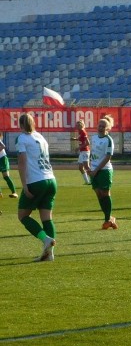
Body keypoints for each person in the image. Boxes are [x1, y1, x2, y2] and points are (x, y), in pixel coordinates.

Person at [15, 112, 57, 261]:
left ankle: (45, 239)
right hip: (51, 179)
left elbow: (22, 162)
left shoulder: (22, 138)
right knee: (47, 218)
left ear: (20, 124)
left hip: (36, 181)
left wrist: (24, 186)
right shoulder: (40, 136)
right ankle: (49, 254)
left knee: (23, 216)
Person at [86, 114, 117, 229]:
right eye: (99, 125)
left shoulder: (108, 140)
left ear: (108, 128)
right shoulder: (93, 138)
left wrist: (96, 170)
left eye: (103, 126)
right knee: (98, 194)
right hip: (93, 170)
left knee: (105, 193)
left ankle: (107, 219)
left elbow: (107, 157)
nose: (101, 128)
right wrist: (89, 166)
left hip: (104, 170)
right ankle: (110, 219)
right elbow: (91, 152)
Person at [75, 119, 91, 184]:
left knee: (86, 167)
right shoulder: (80, 132)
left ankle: (94, 179)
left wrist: (79, 147)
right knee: (80, 167)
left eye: (78, 125)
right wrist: (75, 139)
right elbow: (81, 140)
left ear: (81, 126)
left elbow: (88, 143)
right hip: (82, 152)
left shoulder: (83, 132)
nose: (77, 126)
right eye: (77, 125)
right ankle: (87, 181)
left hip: (85, 151)